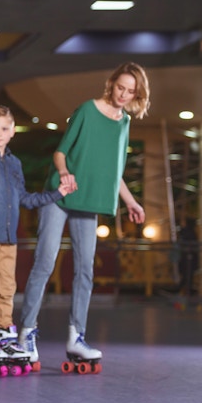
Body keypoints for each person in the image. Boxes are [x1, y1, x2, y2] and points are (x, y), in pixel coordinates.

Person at [17, 62, 151, 372]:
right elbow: (60, 152)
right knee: (45, 262)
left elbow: (114, 172)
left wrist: (132, 202)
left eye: (131, 91)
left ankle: (76, 336)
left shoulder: (123, 123)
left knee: (85, 269)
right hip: (60, 196)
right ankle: (26, 333)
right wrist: (64, 174)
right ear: (111, 83)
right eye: (121, 87)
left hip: (89, 202)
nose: (124, 94)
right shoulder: (87, 110)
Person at [0, 105, 74, 375]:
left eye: (4, 128)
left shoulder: (14, 163)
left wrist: (57, 193)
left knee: (8, 287)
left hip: (10, 237)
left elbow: (24, 198)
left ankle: (4, 333)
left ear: (12, 131)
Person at [177, 217, 199, 296]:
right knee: (188, 276)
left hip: (187, 258)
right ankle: (181, 291)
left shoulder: (185, 232)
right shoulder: (189, 232)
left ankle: (180, 290)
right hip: (188, 258)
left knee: (187, 276)